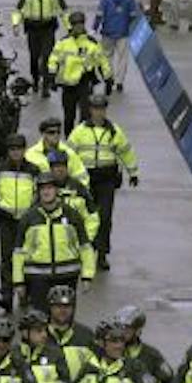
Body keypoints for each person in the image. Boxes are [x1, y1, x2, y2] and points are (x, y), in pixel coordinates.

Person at [68, 93, 138, 264]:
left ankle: (102, 253)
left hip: (107, 179)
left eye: (102, 109)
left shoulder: (114, 132)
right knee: (84, 217)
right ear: (90, 110)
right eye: (95, 109)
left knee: (105, 217)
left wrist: (133, 172)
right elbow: (69, 154)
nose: (99, 113)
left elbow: (126, 151)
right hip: (86, 180)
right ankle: (85, 250)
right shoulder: (80, 132)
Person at [12, 176, 96, 316]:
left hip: (67, 277)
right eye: (43, 189)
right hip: (38, 278)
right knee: (41, 321)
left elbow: (85, 247)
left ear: (57, 190)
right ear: (38, 192)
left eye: (50, 188)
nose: (46, 192)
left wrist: (87, 276)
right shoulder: (28, 218)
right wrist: (18, 282)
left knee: (64, 320)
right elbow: (18, 253)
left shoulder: (72, 215)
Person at [48, 12, 110, 133]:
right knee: (69, 117)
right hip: (68, 85)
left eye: (81, 23)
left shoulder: (92, 43)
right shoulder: (63, 43)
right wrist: (51, 76)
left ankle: (82, 139)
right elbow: (53, 59)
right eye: (75, 24)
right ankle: (69, 140)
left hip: (85, 82)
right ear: (71, 25)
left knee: (85, 115)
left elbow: (102, 61)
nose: (78, 27)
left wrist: (108, 79)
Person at [13, 0, 68, 98]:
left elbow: (64, 12)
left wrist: (69, 28)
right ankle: (36, 79)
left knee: (47, 56)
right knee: (34, 56)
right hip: (33, 29)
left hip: (48, 29)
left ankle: (45, 85)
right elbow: (19, 11)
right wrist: (16, 24)